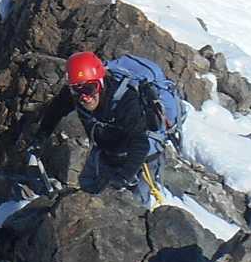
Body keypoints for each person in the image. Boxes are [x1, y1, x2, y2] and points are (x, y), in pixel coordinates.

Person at [65, 48, 178, 203]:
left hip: (141, 159)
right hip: (109, 152)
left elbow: (141, 143)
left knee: (135, 206)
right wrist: (40, 138)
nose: (84, 96)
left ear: (101, 82)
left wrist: (123, 177)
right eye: (76, 89)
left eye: (89, 88)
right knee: (88, 197)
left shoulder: (126, 100)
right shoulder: (78, 93)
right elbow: (55, 110)